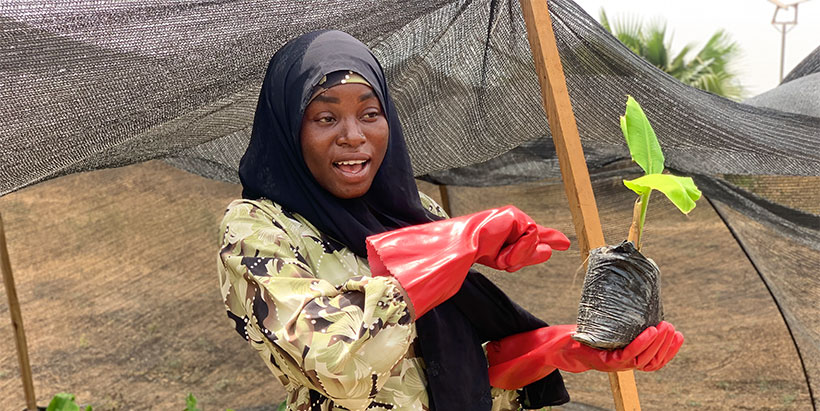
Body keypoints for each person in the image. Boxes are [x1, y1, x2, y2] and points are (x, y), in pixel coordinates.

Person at [218, 30, 683, 411]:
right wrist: (458, 246)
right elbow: (337, 361)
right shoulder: (258, 230)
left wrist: (569, 348)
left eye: (370, 112)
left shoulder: (413, 213)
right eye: (325, 117)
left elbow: (464, 363)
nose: (354, 136)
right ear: (288, 129)